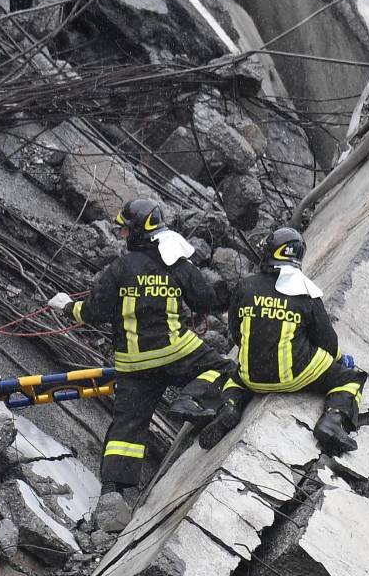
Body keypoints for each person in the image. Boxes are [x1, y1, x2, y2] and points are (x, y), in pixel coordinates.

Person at [49, 198, 233, 494]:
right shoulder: (177, 263)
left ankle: (112, 496)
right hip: (175, 353)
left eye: (124, 231)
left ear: (137, 231)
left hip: (132, 364)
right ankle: (191, 399)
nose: (122, 237)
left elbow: (94, 312)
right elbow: (206, 301)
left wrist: (67, 307)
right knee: (226, 370)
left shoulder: (120, 268)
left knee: (128, 425)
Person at [195, 227, 367, 453]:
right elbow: (328, 343)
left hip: (252, 377)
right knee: (351, 379)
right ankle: (332, 421)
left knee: (234, 378)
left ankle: (230, 406)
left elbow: (235, 332)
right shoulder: (306, 293)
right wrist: (338, 360)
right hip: (296, 376)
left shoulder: (245, 286)